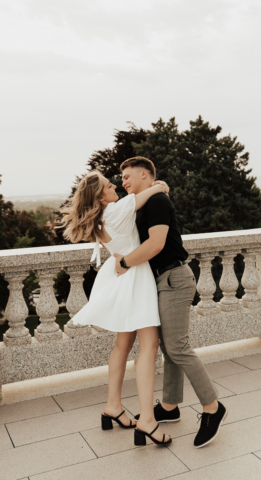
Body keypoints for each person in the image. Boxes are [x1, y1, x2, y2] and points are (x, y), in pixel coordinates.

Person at [114, 156, 228, 448]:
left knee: (178, 346)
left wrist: (125, 263)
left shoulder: (157, 203)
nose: (123, 181)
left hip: (174, 278)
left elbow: (157, 244)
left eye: (127, 176)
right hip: (162, 281)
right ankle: (169, 406)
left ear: (144, 174)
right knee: (169, 347)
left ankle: (213, 408)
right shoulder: (147, 202)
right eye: (121, 177)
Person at [60, 171, 172, 446]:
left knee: (123, 344)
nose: (116, 187)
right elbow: (155, 190)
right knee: (149, 345)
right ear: (101, 196)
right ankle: (147, 420)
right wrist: (161, 184)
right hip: (135, 276)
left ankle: (113, 405)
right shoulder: (118, 209)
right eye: (110, 186)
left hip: (119, 274)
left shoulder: (99, 219)